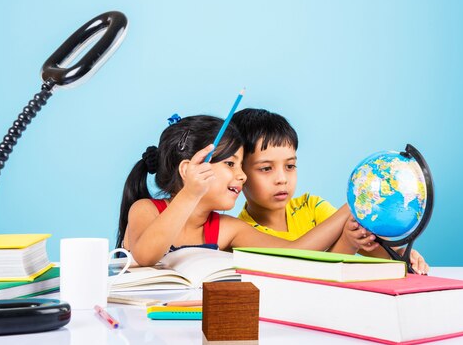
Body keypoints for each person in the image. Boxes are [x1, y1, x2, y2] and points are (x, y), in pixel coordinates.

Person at [117, 114, 374, 267]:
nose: (241, 176)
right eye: (230, 164)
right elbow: (146, 256)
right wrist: (189, 194)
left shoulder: (229, 229)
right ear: (188, 170)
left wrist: (351, 206)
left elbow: (295, 253)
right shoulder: (145, 209)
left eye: (241, 165)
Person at [231, 108, 429, 274]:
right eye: (266, 168)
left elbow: (370, 246)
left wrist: (402, 254)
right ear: (240, 171)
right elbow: (307, 274)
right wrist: (352, 211)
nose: (282, 179)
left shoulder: (310, 206)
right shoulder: (242, 233)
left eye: (290, 166)